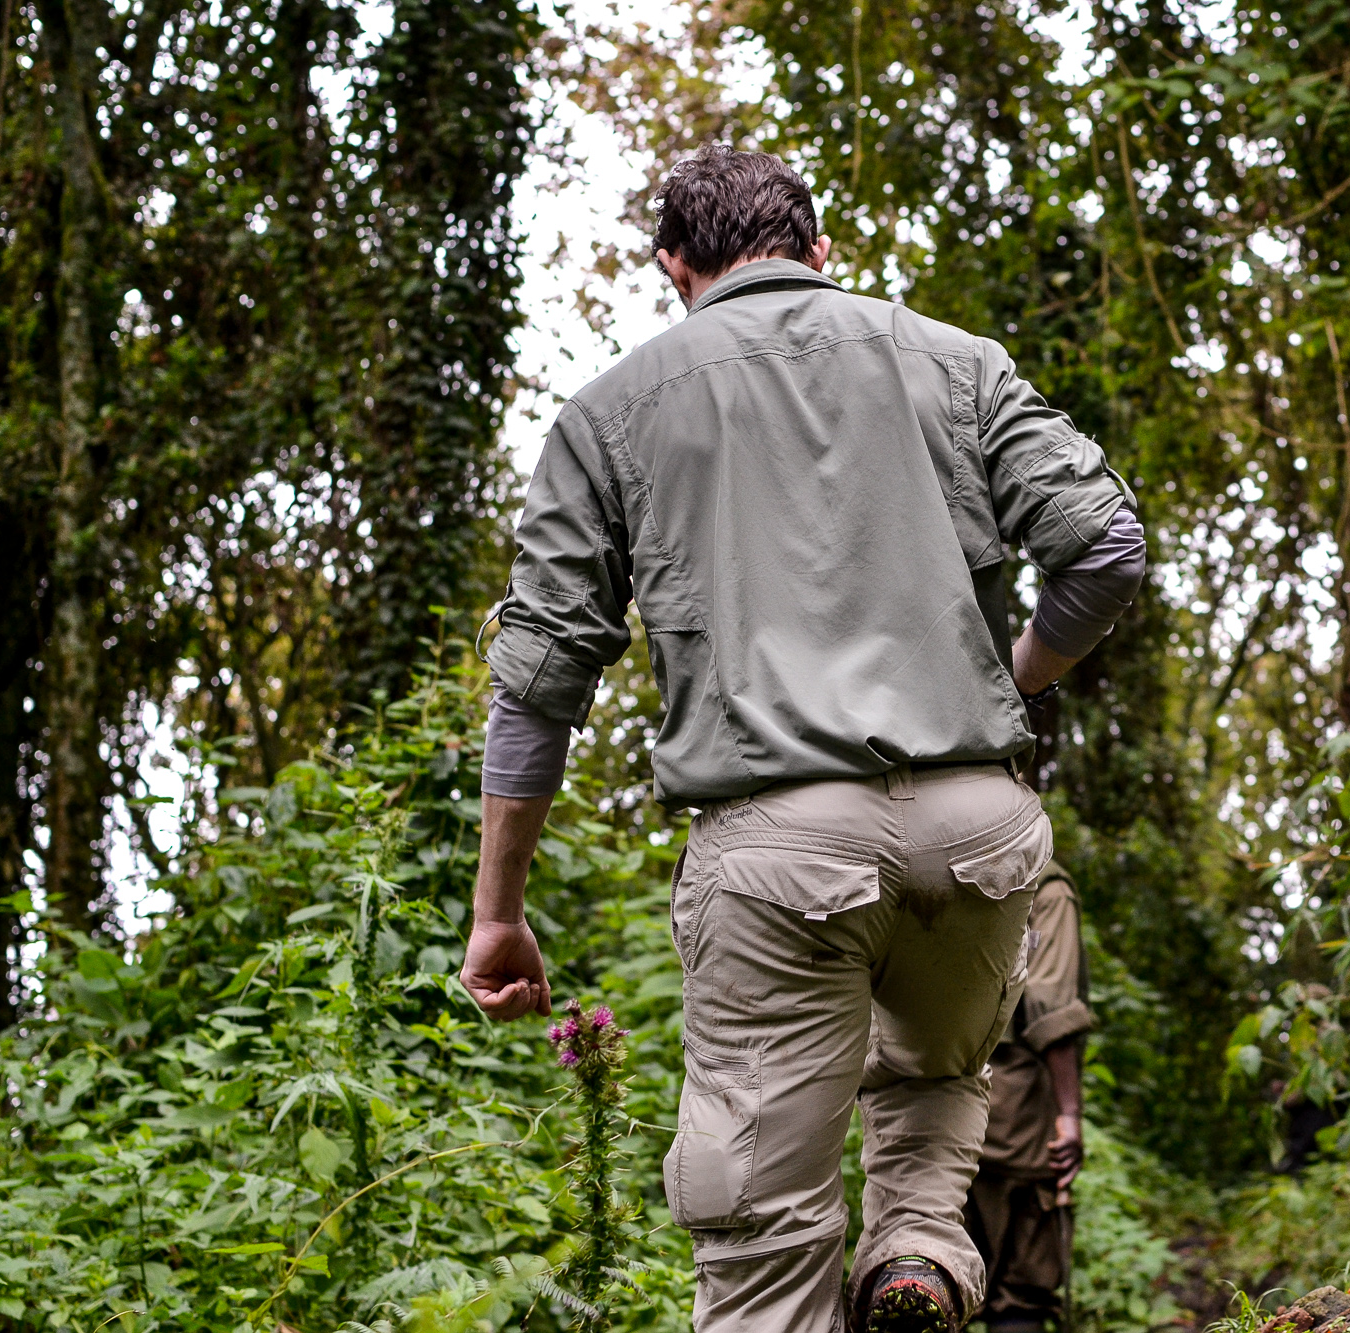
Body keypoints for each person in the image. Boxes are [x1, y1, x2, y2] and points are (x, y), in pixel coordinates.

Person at [456, 146, 1145, 1333]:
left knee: (762, 1232)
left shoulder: (611, 409)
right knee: (934, 1083)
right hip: (978, 828)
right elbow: (1105, 549)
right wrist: (1011, 680)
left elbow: (538, 682)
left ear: (673, 266)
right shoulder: (958, 362)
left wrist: (498, 908)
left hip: (775, 848)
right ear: (820, 252)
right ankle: (917, 1258)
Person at [967, 860, 1093, 1333]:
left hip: (929, 1110)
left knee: (933, 1273)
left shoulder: (931, 860)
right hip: (1017, 1118)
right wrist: (1069, 1113)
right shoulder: (1044, 884)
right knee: (1023, 1287)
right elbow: (1051, 1003)